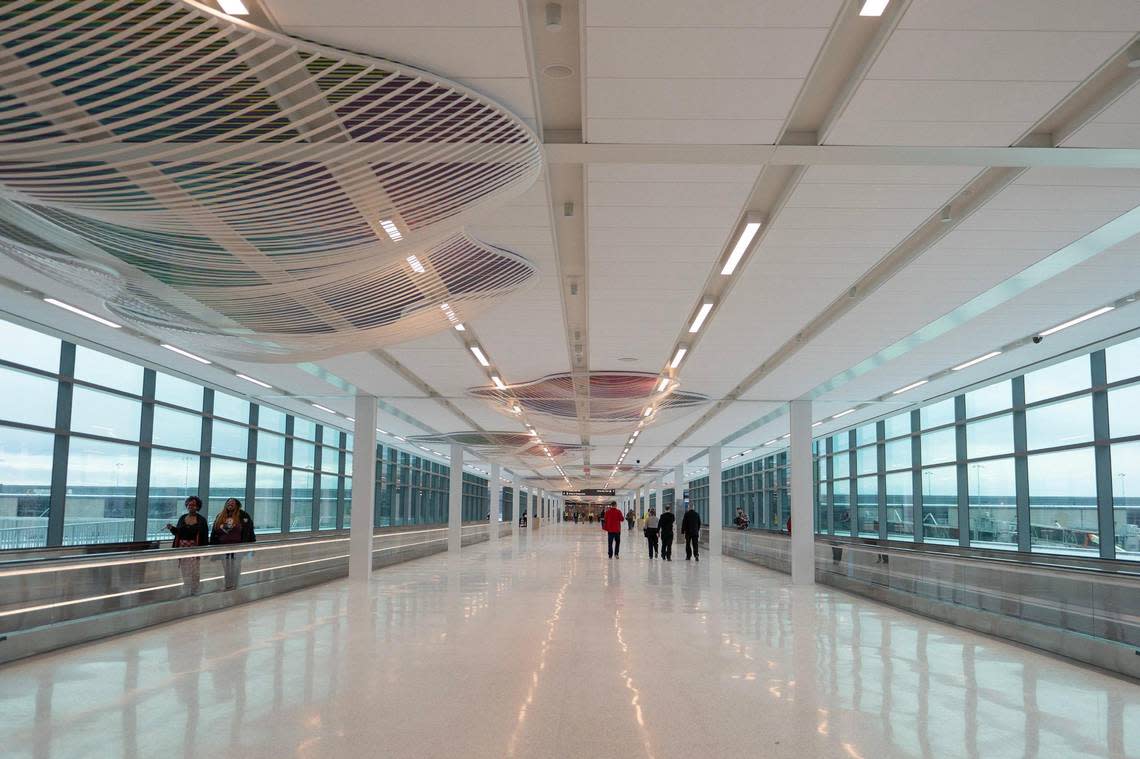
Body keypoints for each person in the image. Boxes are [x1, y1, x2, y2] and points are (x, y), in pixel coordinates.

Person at [210, 497, 255, 590]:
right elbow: (215, 531)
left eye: (232, 503)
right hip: (223, 547)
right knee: (226, 568)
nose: (230, 504)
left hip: (238, 547)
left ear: (237, 505)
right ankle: (228, 585)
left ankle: (235, 585)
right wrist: (212, 546)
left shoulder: (243, 515)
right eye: (228, 503)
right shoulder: (220, 516)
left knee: (236, 567)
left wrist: (251, 546)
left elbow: (249, 530)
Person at [166, 495, 208, 595]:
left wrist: (204, 550)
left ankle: (195, 590)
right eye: (189, 504)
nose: (190, 506)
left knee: (194, 571)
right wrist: (171, 528)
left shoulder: (201, 520)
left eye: (193, 505)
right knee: (184, 570)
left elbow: (204, 535)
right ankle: (187, 588)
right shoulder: (182, 518)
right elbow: (178, 533)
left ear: (197, 507)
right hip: (182, 547)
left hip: (195, 547)